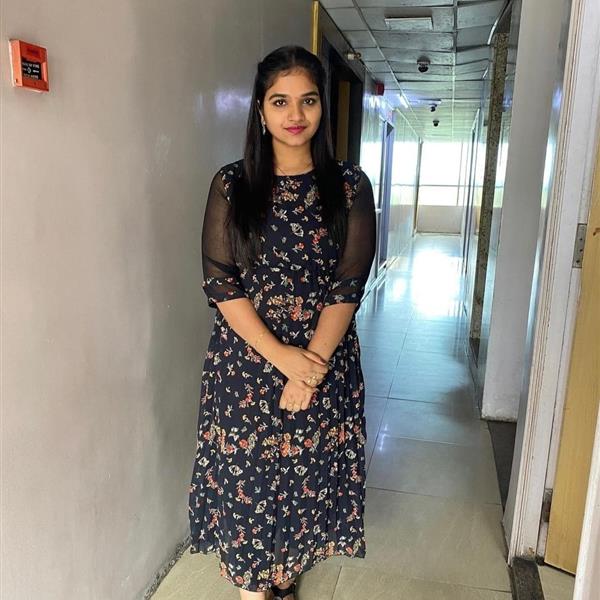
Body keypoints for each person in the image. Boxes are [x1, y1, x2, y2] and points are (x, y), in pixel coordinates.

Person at [188, 45, 376, 600]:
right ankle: (256, 588)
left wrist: (307, 371)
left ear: (322, 108)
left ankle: (284, 579)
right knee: (247, 491)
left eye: (308, 101)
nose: (295, 114)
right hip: (245, 368)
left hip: (322, 364)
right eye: (280, 101)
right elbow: (221, 282)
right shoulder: (231, 184)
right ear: (260, 109)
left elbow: (347, 285)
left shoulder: (349, 186)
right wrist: (283, 359)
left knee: (303, 487)